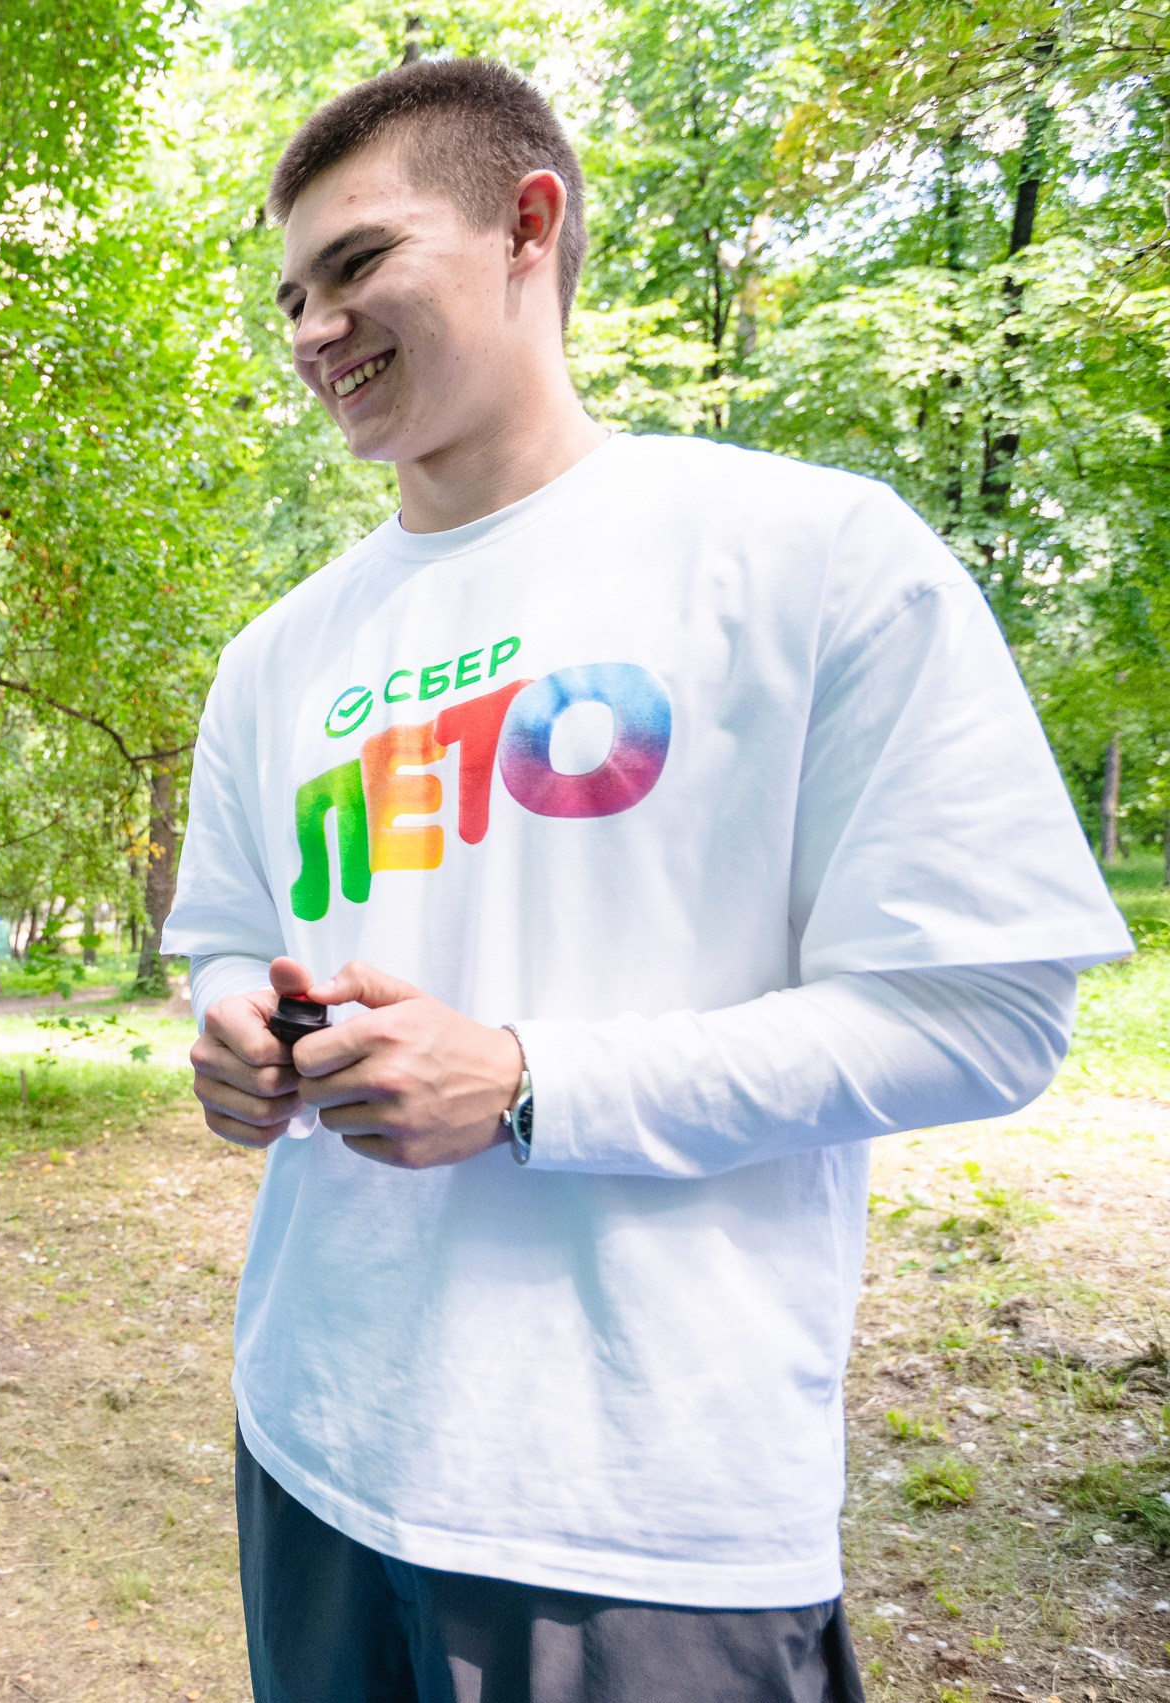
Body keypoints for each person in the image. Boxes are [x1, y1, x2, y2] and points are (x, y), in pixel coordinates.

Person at [163, 59, 1132, 1703]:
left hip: (643, 1518)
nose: (314, 326)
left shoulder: (810, 554)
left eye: (358, 266)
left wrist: (532, 1081)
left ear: (528, 225)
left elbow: (984, 1014)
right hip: (313, 1440)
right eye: (290, 294)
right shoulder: (275, 658)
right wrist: (230, 1025)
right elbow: (229, 941)